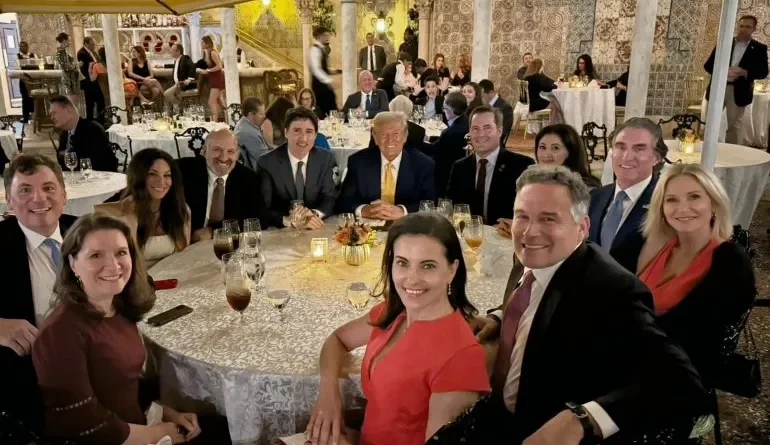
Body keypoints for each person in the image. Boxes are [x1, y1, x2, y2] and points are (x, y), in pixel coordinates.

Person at [471, 164, 706, 445]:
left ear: (582, 227)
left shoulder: (611, 290)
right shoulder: (531, 256)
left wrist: (583, 419)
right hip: (496, 415)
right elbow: (533, 300)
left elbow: (682, 381)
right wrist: (500, 317)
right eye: (522, 216)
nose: (529, 232)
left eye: (548, 219)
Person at [32, 213, 231, 445]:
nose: (113, 265)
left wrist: (165, 413)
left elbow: (125, 383)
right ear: (72, 263)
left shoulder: (119, 309)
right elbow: (80, 420)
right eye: (96, 255)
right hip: (107, 440)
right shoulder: (60, 332)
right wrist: (154, 434)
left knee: (227, 429)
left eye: (121, 253)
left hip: (136, 424)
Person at [306, 212, 490, 445]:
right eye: (403, 263)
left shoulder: (460, 357)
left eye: (428, 266)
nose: (412, 279)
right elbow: (337, 340)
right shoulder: (393, 313)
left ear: (452, 270)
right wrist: (328, 392)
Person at [637, 163, 756, 395]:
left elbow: (700, 340)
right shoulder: (661, 245)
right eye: (671, 200)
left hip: (677, 379)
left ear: (714, 203)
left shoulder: (730, 261)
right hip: (635, 357)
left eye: (694, 197)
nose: (683, 208)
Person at [0, 154, 75, 431]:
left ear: (64, 195)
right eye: (25, 190)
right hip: (31, 385)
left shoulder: (87, 229)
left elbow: (139, 284)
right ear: (9, 201)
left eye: (48, 187)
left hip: (99, 362)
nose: (39, 198)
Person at [94, 149, 190, 269]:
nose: (161, 182)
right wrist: (127, 216)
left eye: (167, 175)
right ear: (139, 177)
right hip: (132, 278)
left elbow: (183, 257)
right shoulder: (121, 212)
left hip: (170, 277)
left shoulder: (180, 210)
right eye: (152, 174)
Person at [588, 117, 661, 272]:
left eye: (639, 149)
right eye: (620, 147)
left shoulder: (664, 201)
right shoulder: (595, 197)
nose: (627, 157)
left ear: (656, 157)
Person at [446, 106, 534, 225]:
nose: (481, 134)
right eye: (475, 128)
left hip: (506, 235)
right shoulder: (459, 167)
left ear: (500, 131)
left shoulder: (522, 166)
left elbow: (532, 210)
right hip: (469, 234)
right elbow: (452, 208)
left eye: (487, 128)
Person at [339, 111, 436, 219]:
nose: (390, 140)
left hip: (408, 224)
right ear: (375, 137)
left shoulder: (424, 164)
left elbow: (431, 203)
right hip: (368, 223)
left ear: (405, 136)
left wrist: (402, 211)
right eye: (383, 135)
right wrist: (364, 210)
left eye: (396, 134)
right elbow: (344, 201)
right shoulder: (358, 162)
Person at [256, 107, 336, 230]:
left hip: (314, 229)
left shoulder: (325, 159)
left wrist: (313, 214)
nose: (303, 138)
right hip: (282, 231)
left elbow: (329, 198)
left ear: (316, 135)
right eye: (297, 131)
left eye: (309, 132)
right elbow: (262, 208)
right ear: (286, 132)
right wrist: (288, 220)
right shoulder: (267, 163)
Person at [177, 129, 262, 241]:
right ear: (204, 151)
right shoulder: (182, 171)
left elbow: (257, 218)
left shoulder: (248, 178)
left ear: (237, 155)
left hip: (229, 243)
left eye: (230, 151)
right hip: (188, 243)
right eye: (217, 150)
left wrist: (213, 231)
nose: (223, 157)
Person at [704, 15, 769, 145]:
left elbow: (763, 72)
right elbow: (708, 65)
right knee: (710, 123)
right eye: (741, 26)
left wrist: (744, 72)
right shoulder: (724, 43)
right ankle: (708, 150)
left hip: (739, 91)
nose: (743, 29)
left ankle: (732, 153)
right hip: (718, 88)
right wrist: (723, 71)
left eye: (748, 27)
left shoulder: (759, 48)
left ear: (754, 29)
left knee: (734, 127)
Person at [51, 96, 118, 172]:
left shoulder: (93, 129)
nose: (52, 117)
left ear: (68, 111)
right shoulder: (64, 134)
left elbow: (101, 164)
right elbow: (63, 163)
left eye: (54, 113)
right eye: (51, 114)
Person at [421, 91, 469, 195]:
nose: (443, 111)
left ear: (453, 110)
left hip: (446, 173)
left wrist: (421, 141)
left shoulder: (449, 133)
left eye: (445, 108)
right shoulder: (466, 120)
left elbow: (435, 151)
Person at [535, 124, 600, 189]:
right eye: (542, 147)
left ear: (571, 152)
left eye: (555, 148)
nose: (546, 154)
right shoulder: (534, 182)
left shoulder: (585, 189)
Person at [309, 26, 338, 117]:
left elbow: (322, 68)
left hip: (324, 86)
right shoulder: (314, 50)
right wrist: (329, 81)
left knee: (331, 109)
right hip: (320, 87)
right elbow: (316, 69)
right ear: (318, 36)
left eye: (328, 35)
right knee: (324, 110)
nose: (327, 37)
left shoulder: (321, 49)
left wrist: (335, 71)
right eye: (325, 35)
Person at [234, 96, 270, 170]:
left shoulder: (245, 123)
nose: (264, 116)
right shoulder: (247, 133)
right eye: (261, 114)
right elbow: (265, 159)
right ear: (250, 115)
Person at [76, 36, 106, 121]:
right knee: (90, 103)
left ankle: (99, 121)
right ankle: (91, 122)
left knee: (100, 102)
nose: (94, 46)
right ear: (86, 44)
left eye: (94, 44)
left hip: (95, 79)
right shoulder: (81, 53)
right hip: (88, 81)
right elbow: (89, 65)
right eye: (92, 44)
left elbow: (98, 61)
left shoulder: (93, 52)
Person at [479, 79, 514, 147]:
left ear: (491, 92)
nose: (480, 99)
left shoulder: (505, 108)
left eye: (482, 96)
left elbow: (502, 132)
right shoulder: (483, 105)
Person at [199, 35, 226, 122]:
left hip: (217, 79)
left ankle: (215, 122)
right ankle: (228, 118)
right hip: (214, 79)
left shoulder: (212, 53)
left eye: (202, 42)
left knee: (211, 102)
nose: (201, 44)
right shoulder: (207, 53)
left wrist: (208, 71)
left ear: (207, 43)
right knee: (220, 102)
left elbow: (219, 66)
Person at [54, 33, 81, 109]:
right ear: (63, 40)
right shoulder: (61, 51)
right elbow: (66, 67)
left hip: (70, 78)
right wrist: (77, 65)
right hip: (68, 79)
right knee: (72, 104)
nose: (70, 42)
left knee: (73, 103)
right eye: (69, 40)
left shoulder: (63, 51)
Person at [17, 41, 36, 122]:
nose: (22, 48)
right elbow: (17, 68)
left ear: (27, 47)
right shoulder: (17, 56)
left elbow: (37, 65)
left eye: (24, 46)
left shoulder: (33, 55)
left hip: (33, 79)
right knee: (25, 98)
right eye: (21, 46)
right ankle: (25, 117)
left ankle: (34, 115)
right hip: (23, 80)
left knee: (33, 97)